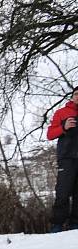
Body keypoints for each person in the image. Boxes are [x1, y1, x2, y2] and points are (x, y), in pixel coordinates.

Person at [47, 86, 78, 232]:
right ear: (72, 96)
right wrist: (64, 128)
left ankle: (75, 225)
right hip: (66, 158)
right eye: (76, 94)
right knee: (63, 192)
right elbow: (50, 134)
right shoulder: (62, 112)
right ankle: (57, 225)